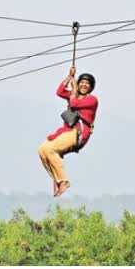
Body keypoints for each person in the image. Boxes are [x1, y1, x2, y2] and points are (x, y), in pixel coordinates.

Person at [37, 66, 97, 197]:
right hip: (66, 130)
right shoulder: (74, 95)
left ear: (91, 87)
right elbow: (59, 91)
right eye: (82, 82)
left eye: (87, 84)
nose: (84, 85)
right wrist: (70, 76)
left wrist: (74, 88)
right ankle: (56, 179)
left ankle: (63, 180)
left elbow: (74, 104)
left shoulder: (91, 99)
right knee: (42, 150)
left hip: (78, 133)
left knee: (50, 150)